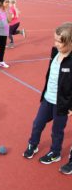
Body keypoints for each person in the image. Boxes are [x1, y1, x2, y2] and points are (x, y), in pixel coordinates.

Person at [23, 22, 72, 166]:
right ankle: (33, 144)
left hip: (62, 103)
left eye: (59, 41)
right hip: (47, 98)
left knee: (57, 130)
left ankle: (55, 152)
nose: (55, 43)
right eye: (55, 40)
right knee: (37, 123)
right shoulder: (55, 52)